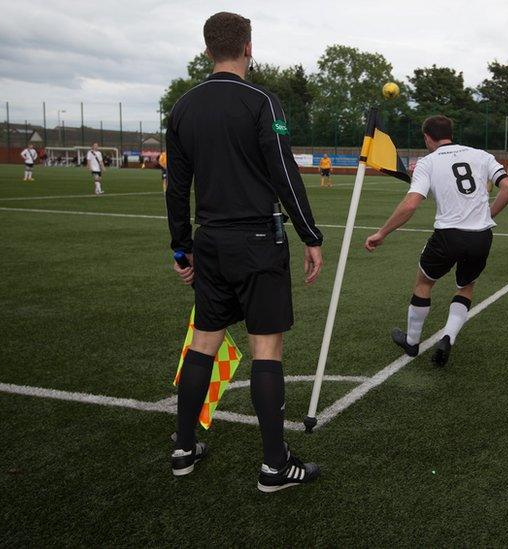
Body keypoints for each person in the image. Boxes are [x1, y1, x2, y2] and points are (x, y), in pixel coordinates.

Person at [165, 11, 325, 492]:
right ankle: (275, 466)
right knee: (266, 347)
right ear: (248, 48)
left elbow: (177, 188)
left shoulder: (183, 107)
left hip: (209, 240)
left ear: (208, 49)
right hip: (257, 240)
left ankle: (183, 447)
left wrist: (181, 248)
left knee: (204, 342)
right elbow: (283, 172)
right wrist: (310, 235)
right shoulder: (261, 101)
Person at [364, 115, 508, 366]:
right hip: (481, 236)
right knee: (465, 286)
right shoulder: (481, 155)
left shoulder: (428, 162)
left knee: (424, 282)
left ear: (427, 137)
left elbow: (411, 203)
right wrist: (488, 215)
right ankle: (447, 336)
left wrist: (382, 232)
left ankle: (412, 342)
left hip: (448, 235)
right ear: (450, 133)